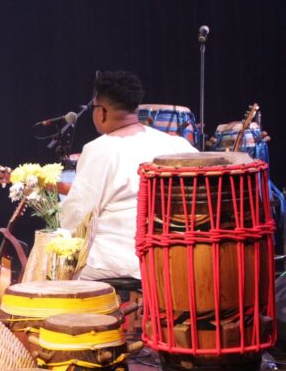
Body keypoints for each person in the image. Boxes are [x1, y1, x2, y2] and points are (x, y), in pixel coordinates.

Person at [59, 70, 197, 280]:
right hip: (175, 254)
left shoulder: (99, 150)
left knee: (55, 255)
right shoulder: (175, 144)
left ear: (101, 111)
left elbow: (76, 218)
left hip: (123, 260)